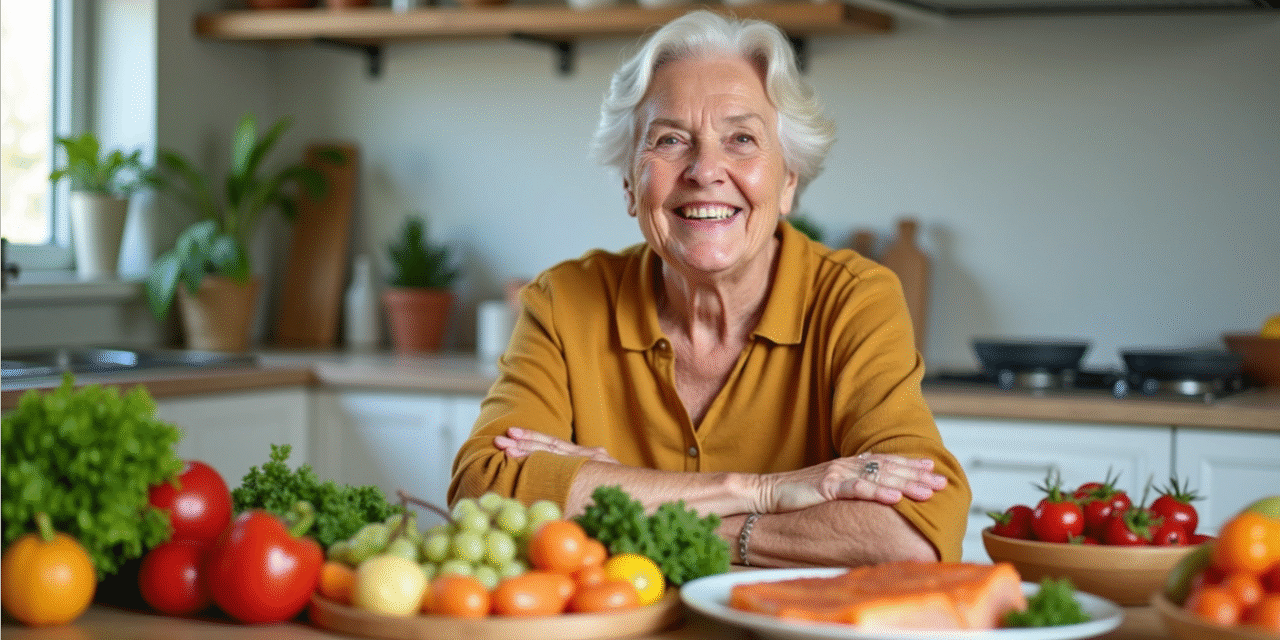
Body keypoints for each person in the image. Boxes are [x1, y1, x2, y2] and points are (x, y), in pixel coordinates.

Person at [450, 10, 971, 567]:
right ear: (630, 183)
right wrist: (761, 492)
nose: (705, 170)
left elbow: (912, 534)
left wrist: (609, 495)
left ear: (788, 179)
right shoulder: (565, 301)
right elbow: (483, 490)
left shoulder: (854, 299)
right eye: (671, 140)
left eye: (741, 139)